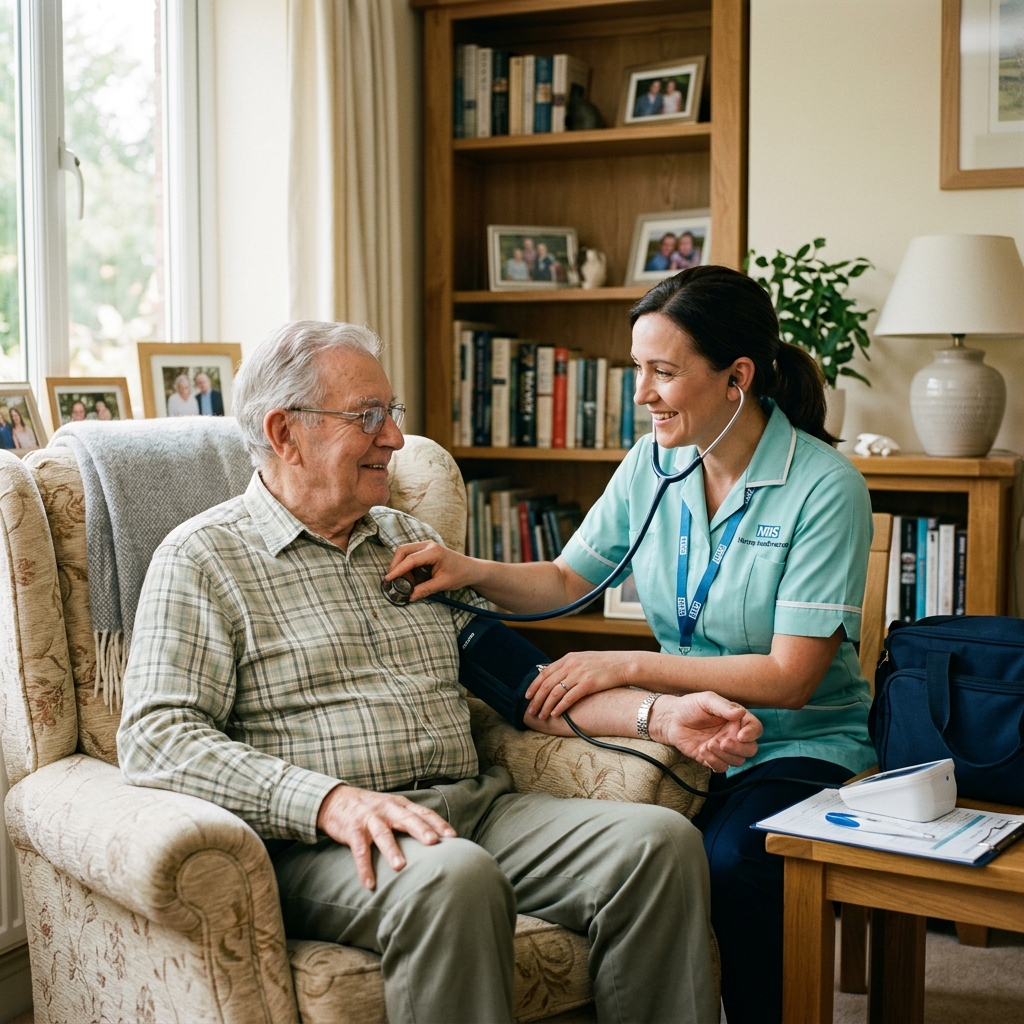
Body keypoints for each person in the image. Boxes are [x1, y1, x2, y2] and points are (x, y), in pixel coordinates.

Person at [118, 319, 763, 1024]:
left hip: (474, 810)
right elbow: (158, 737)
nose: (394, 438)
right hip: (326, 842)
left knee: (660, 844)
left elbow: (520, 684)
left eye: (389, 415)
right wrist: (331, 801)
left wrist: (662, 715)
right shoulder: (204, 559)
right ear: (284, 433)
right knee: (454, 877)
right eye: (368, 417)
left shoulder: (405, 541)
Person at [387, 266, 876, 1024]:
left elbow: (791, 677)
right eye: (636, 370)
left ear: (736, 378)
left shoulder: (824, 486)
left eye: (663, 372)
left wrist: (629, 664)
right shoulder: (654, 462)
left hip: (792, 743)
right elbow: (561, 578)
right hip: (681, 734)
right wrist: (467, 568)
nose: (641, 393)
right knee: (626, 855)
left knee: (731, 865)